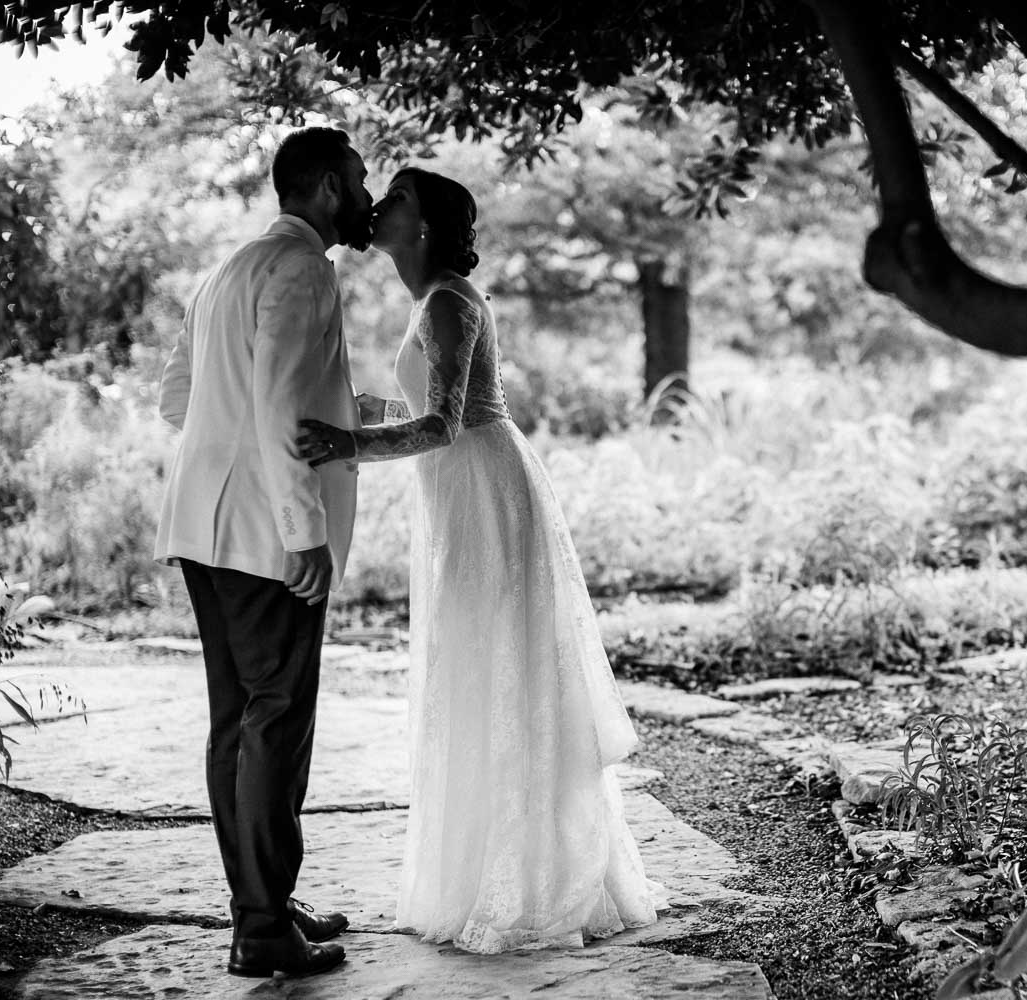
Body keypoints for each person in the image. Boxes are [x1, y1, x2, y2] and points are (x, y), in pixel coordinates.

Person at [297, 167, 666, 953]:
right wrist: (375, 413)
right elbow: (436, 412)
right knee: (475, 669)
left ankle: (532, 880)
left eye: (394, 198)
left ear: (422, 225)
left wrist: (351, 444)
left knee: (502, 670)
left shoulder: (452, 302)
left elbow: (444, 425)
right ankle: (480, 868)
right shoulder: (433, 303)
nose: (381, 208)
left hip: (487, 496)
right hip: (461, 491)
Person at [154, 126, 374, 978]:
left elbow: (180, 396)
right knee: (277, 720)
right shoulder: (305, 268)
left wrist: (223, 451)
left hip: (202, 526)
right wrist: (302, 531)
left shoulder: (224, 270)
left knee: (236, 723)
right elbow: (282, 401)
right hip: (260, 535)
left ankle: (265, 902)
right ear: (323, 187)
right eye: (357, 183)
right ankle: (262, 927)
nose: (366, 197)